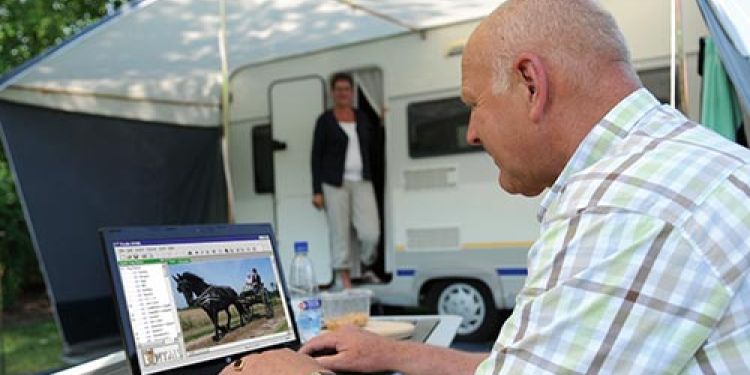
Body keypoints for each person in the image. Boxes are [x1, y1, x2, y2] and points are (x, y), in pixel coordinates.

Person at [221, 0, 750, 374]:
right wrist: (402, 354)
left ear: (530, 83)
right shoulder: (670, 162)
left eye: (473, 104)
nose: (471, 131)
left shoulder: (626, 204)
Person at [310, 72, 380, 289]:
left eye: (346, 89)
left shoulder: (361, 117)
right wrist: (317, 191)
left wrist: (383, 120)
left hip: (362, 181)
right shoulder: (325, 120)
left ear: (352, 92)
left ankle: (367, 264)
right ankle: (345, 279)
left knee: (370, 233)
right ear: (332, 93)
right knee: (339, 232)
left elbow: (375, 143)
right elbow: (316, 156)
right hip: (334, 183)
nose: (342, 93)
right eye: (338, 89)